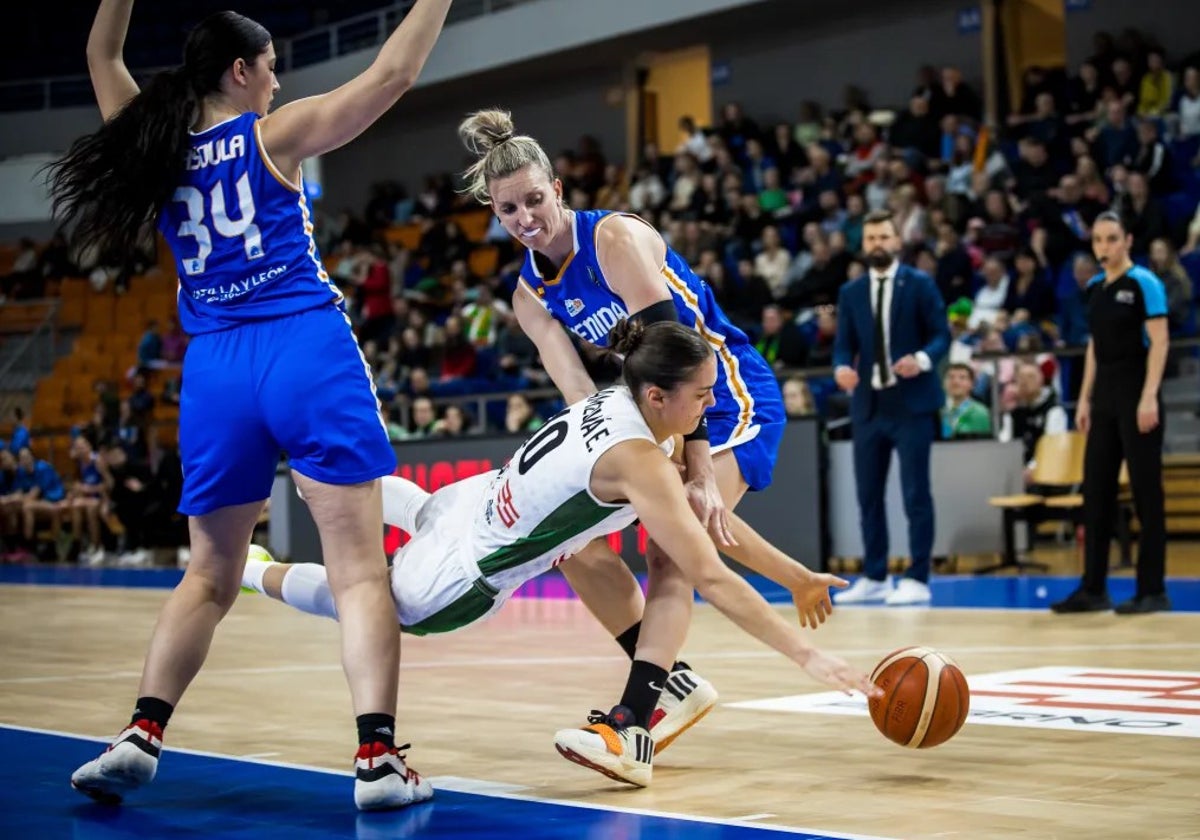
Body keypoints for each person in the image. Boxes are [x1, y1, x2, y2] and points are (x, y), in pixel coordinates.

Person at [48, 0, 454, 811]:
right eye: (270, 67)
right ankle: (377, 759)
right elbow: (394, 74)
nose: (277, 82)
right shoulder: (271, 135)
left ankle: (141, 732)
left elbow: (101, 53)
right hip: (301, 344)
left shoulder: (157, 150)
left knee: (208, 573)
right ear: (241, 71)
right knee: (359, 568)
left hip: (216, 369)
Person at [243, 322, 878, 786]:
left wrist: (795, 577)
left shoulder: (621, 404)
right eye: (703, 395)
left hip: (474, 502)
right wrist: (809, 655)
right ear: (658, 396)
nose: (712, 407)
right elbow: (709, 575)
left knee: (429, 511)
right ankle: (254, 570)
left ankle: (310, 475)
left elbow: (708, 525)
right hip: (460, 577)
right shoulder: (641, 461)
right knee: (361, 600)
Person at [457, 110, 787, 753]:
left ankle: (633, 719)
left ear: (557, 189)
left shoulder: (612, 240)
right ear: (494, 214)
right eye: (509, 209)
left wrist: (694, 472)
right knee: (570, 543)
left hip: (722, 392)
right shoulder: (529, 296)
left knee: (670, 548)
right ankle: (675, 684)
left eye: (533, 199)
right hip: (652, 407)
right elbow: (582, 398)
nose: (526, 217)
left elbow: (685, 356)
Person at [1052, 212, 1171, 615]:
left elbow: (1159, 341)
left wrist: (1149, 396)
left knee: (1145, 493)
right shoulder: (1096, 288)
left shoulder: (1144, 283)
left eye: (1112, 239)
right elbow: (1094, 348)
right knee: (1096, 493)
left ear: (1128, 240)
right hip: (1103, 398)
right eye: (1098, 240)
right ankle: (1093, 588)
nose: (1104, 247)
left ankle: (1152, 589)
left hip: (1137, 394)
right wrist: (1084, 398)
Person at [832, 210, 950, 606]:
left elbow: (941, 335)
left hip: (912, 402)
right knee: (868, 494)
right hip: (869, 403)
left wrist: (921, 358)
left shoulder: (919, 284)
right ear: (863, 244)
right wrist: (842, 367)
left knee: (916, 493)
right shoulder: (851, 292)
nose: (877, 244)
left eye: (884, 237)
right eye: (870, 239)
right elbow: (844, 343)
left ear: (897, 241)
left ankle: (918, 576)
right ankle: (876, 574)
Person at [940, 363, 992, 439]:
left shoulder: (980, 412)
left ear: (972, 384)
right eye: (951, 377)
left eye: (962, 378)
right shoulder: (939, 410)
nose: (955, 382)